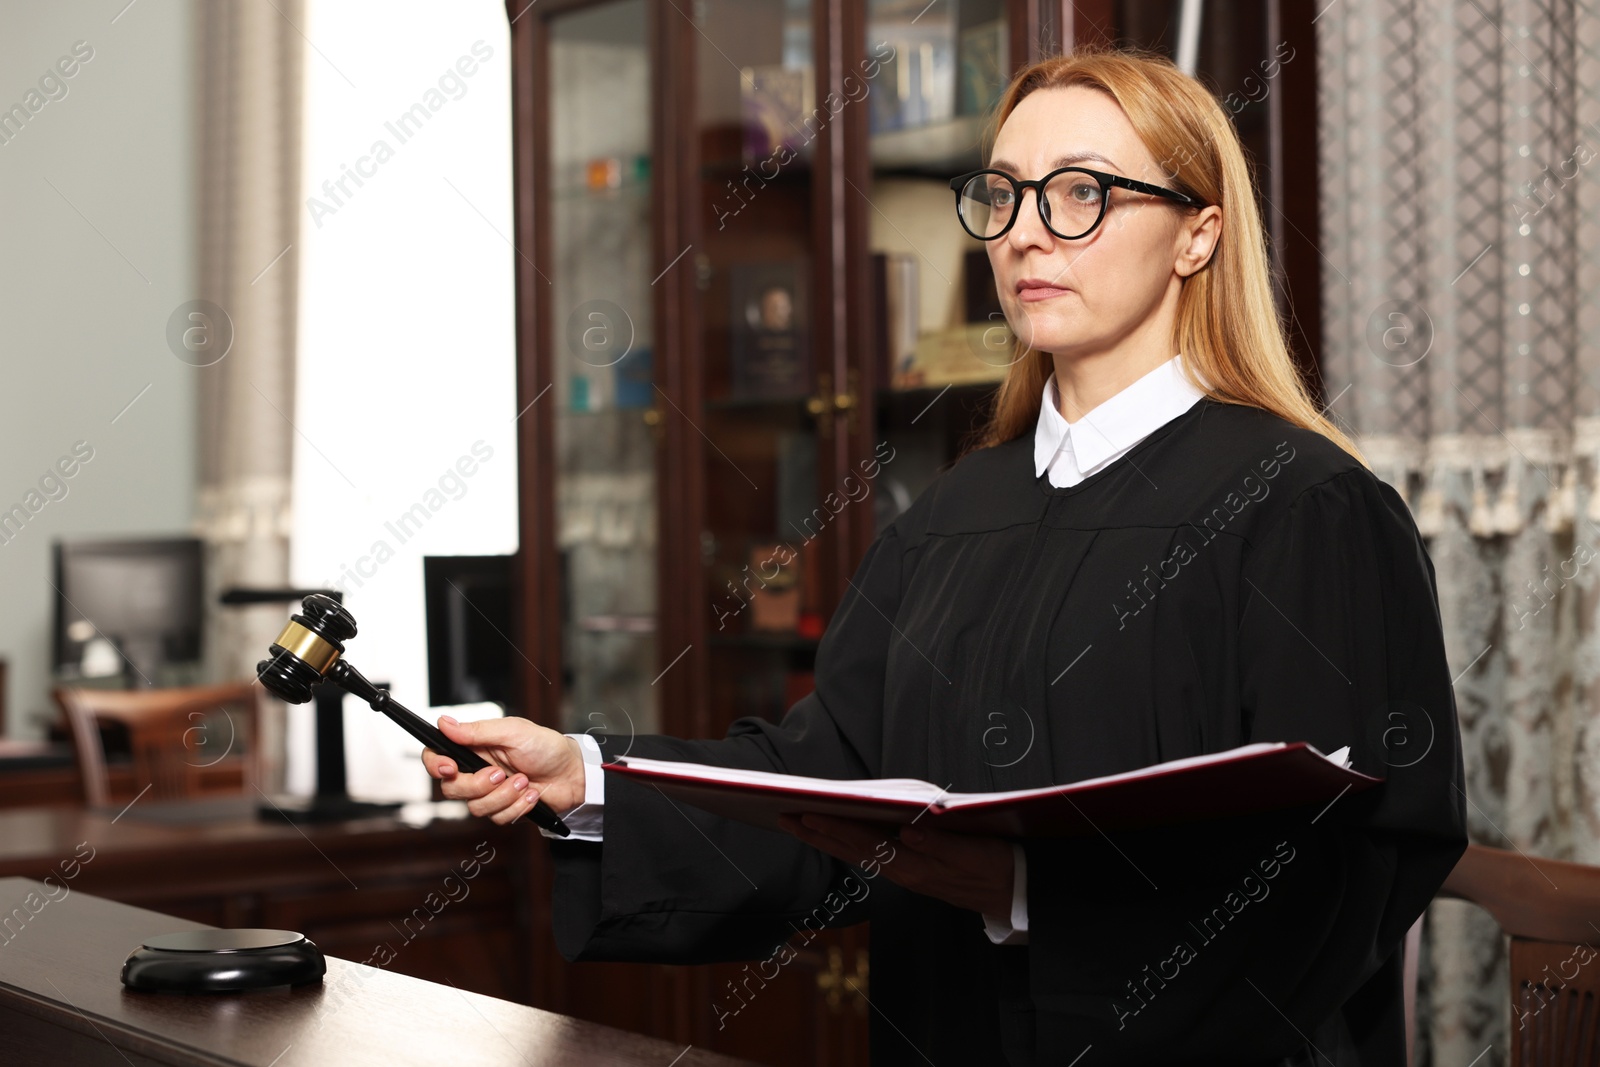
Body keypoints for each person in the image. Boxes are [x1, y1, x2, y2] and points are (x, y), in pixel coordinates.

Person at [422, 47, 1466, 1066]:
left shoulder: (1302, 508)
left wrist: (1024, 895)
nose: (1024, 234)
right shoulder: (955, 512)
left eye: (1080, 193)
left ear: (1198, 234)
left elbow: (1353, 862)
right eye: (1002, 195)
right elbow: (822, 783)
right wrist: (595, 779)